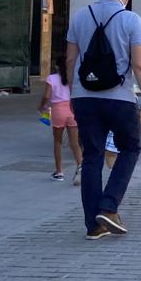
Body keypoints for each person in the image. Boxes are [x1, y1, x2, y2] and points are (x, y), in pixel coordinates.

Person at [66, 0, 141, 240]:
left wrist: (74, 95)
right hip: (119, 98)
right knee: (130, 147)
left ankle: (93, 226)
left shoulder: (80, 16)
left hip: (85, 97)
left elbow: (70, 60)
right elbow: (139, 65)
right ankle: (109, 206)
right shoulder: (131, 19)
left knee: (91, 156)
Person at [38, 55, 83, 184]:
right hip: (72, 109)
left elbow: (46, 96)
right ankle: (80, 167)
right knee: (75, 143)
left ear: (56, 66)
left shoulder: (51, 78)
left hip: (58, 110)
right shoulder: (73, 78)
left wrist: (42, 106)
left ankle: (59, 172)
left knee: (58, 142)